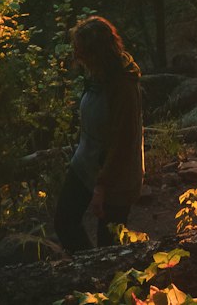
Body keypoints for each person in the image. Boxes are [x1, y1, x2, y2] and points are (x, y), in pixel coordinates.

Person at [54, 16, 144, 254]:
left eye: (81, 51)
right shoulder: (97, 75)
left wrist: (102, 187)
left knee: (109, 246)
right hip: (85, 163)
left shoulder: (123, 85)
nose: (77, 56)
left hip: (117, 177)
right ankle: (87, 273)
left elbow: (123, 142)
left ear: (98, 52)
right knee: (64, 221)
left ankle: (101, 282)